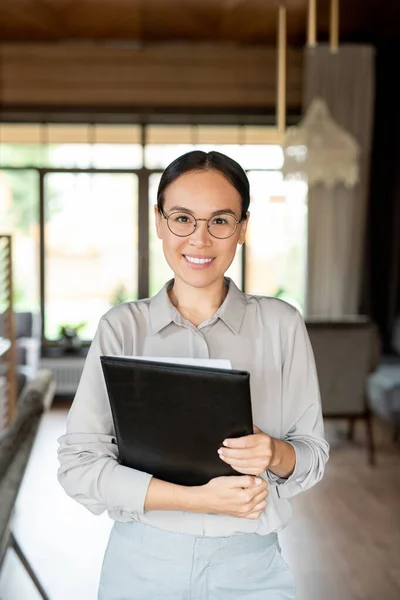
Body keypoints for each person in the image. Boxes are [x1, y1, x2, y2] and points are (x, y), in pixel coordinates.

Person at [57, 150, 329, 600]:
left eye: (220, 221)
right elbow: (79, 468)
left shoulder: (282, 324)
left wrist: (273, 452)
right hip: (139, 568)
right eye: (182, 218)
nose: (199, 239)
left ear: (242, 228)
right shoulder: (121, 328)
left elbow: (313, 456)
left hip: (252, 568)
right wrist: (197, 500)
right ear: (160, 222)